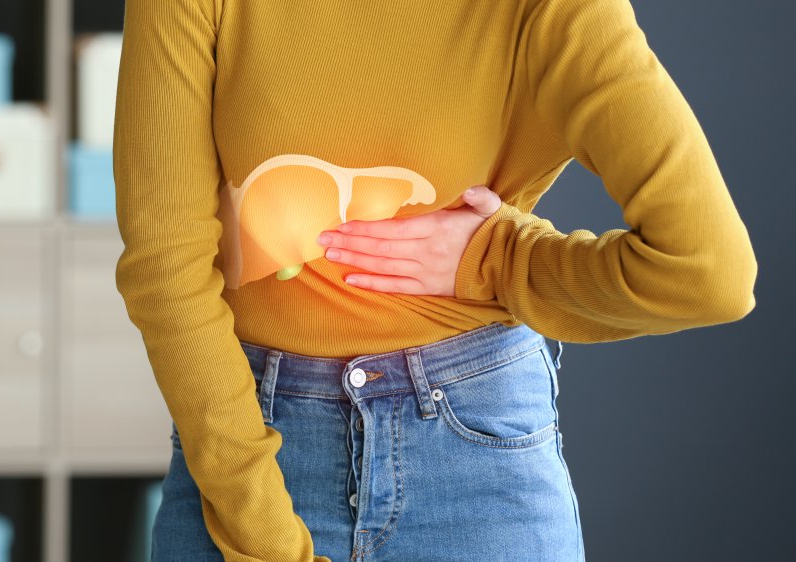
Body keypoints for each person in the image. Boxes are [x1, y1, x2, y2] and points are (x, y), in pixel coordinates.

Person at [112, 0, 758, 560]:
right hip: (250, 459)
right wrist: (264, 540)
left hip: (474, 462)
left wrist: (500, 259)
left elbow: (706, 273)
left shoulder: (558, 10)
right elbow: (167, 267)